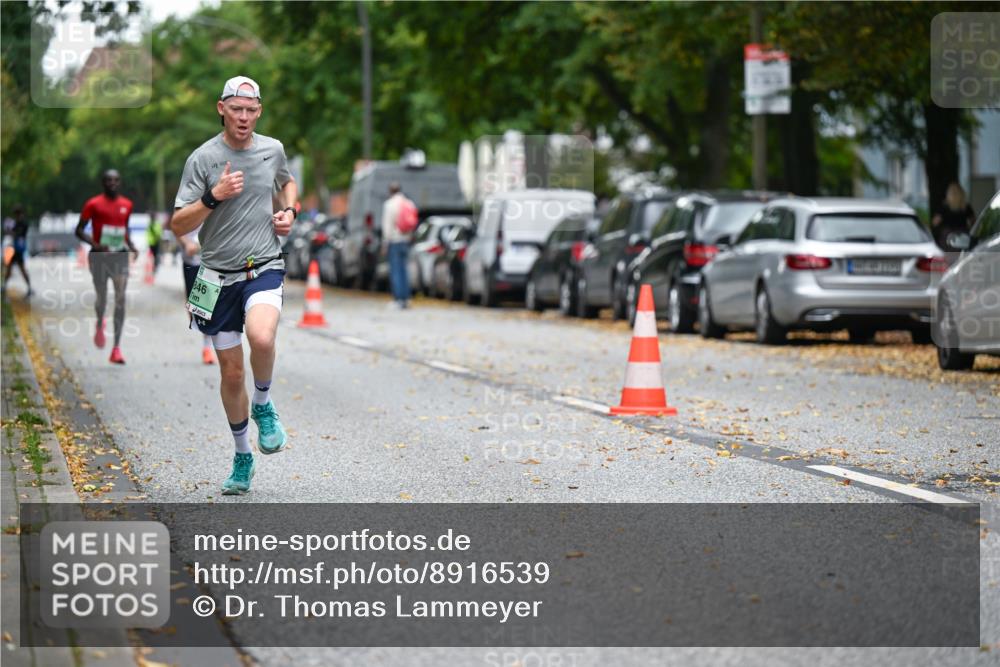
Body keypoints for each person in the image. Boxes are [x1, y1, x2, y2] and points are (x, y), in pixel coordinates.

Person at [170, 75, 297, 496]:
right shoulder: (202, 159)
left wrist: (289, 212)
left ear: (259, 112)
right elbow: (178, 225)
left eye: (251, 110)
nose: (243, 117)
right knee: (231, 371)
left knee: (261, 337)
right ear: (221, 108)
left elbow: (287, 182)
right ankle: (242, 456)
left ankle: (262, 404)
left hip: (262, 265)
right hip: (215, 277)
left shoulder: (272, 150)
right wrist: (213, 196)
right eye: (236, 109)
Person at [76, 169, 138, 364]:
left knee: (120, 299)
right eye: (108, 180)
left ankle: (116, 348)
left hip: (119, 256)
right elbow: (78, 230)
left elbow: (124, 228)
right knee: (102, 298)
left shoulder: (127, 204)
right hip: (99, 256)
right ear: (103, 183)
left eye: (116, 180)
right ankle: (100, 321)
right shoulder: (93, 204)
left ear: (120, 183)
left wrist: (132, 245)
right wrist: (95, 244)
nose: (112, 183)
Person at [170, 216, 217, 366]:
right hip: (191, 260)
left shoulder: (217, 201)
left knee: (207, 302)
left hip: (210, 260)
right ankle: (202, 327)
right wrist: (187, 243)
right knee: (192, 305)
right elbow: (176, 227)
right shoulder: (184, 203)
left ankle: (207, 347)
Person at [381, 182, 417, 308]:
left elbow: (387, 227)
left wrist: (385, 243)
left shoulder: (389, 204)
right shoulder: (409, 203)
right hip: (406, 240)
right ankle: (406, 298)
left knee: (395, 271)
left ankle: (398, 299)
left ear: (390, 191)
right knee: (404, 270)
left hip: (394, 241)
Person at [931, 182, 975, 252]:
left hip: (948, 236)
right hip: (961, 235)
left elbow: (935, 222)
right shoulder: (966, 207)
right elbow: (973, 222)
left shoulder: (944, 207)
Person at [2, 205, 32, 297]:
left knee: (21, 269)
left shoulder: (22, 223)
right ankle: (4, 286)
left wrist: (11, 232)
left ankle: (29, 288)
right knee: (9, 268)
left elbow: (18, 234)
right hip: (14, 249)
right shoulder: (17, 222)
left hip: (18, 249)